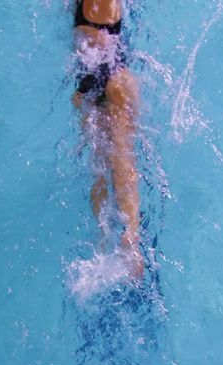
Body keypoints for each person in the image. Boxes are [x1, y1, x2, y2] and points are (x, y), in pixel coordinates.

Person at [72, 0, 143, 279]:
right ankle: (130, 239)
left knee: (100, 167)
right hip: (112, 78)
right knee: (121, 159)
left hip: (92, 81)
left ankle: (105, 244)